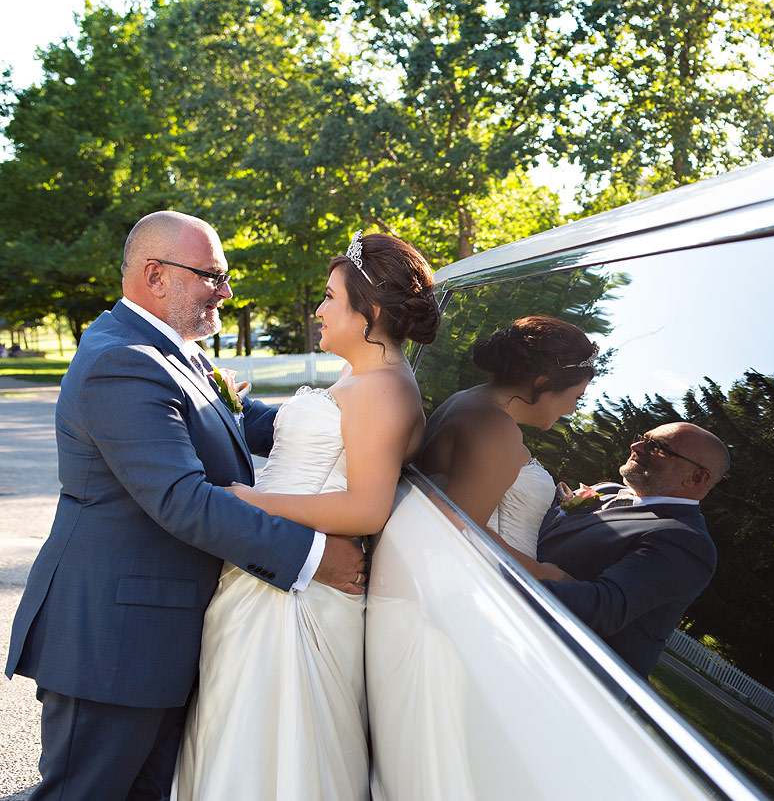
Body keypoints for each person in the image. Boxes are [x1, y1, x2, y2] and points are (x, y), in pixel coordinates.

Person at [5, 210, 365, 801]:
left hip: (161, 633)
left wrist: (371, 423)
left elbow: (246, 428)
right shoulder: (120, 362)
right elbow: (180, 499)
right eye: (211, 275)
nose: (226, 291)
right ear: (156, 275)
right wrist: (315, 556)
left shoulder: (173, 350)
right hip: (114, 639)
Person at [173, 230, 440, 800]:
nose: (318, 309)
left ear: (369, 311)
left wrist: (243, 500)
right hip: (270, 572)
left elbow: (366, 508)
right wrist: (236, 407)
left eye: (328, 297)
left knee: (270, 742)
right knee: (233, 726)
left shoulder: (385, 391)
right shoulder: (362, 375)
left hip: (299, 595)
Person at [536, 422, 729, 677]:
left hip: (569, 674)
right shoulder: (607, 491)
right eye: (643, 438)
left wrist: (506, 575)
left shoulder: (685, 540)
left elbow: (603, 609)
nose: (636, 446)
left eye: (658, 447)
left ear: (697, 477)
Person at [417, 315, 597, 574]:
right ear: (543, 383)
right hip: (477, 581)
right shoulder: (496, 429)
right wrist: (547, 574)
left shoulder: (465, 400)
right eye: (576, 397)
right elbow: (462, 533)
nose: (572, 409)